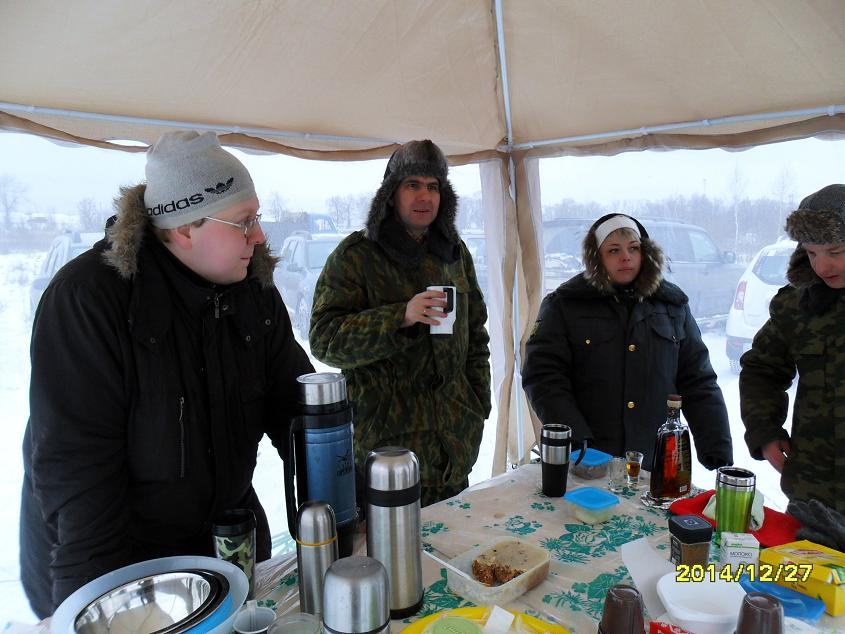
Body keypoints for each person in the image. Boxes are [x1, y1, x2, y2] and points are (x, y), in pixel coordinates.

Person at [19, 131, 314, 617]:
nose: (259, 236)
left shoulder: (251, 289)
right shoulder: (89, 301)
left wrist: (342, 499)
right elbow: (78, 472)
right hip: (123, 567)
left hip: (224, 547)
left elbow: (298, 409)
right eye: (244, 221)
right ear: (184, 228)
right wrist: (100, 609)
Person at [309, 139, 491, 507]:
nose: (425, 196)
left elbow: (476, 335)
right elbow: (325, 340)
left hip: (453, 448)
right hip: (388, 456)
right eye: (413, 185)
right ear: (391, 194)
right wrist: (400, 316)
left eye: (433, 186)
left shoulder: (454, 253)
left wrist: (478, 404)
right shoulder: (357, 257)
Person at [522, 213, 732, 470]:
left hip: (654, 463)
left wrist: (716, 448)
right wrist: (575, 438)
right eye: (614, 250)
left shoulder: (672, 307)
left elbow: (698, 381)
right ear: (596, 257)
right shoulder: (565, 305)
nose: (626, 257)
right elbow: (543, 376)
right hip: (588, 461)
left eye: (633, 248)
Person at [740, 184, 845, 513]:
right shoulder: (797, 305)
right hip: (814, 495)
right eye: (812, 253)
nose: (822, 267)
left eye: (835, 251)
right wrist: (765, 430)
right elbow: (762, 369)